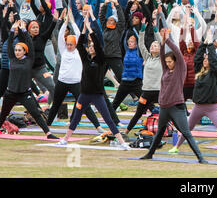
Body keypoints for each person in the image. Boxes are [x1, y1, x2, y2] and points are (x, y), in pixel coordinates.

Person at [56, 18, 130, 149]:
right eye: (89, 46)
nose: (90, 48)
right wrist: (83, 30)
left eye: (92, 46)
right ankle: (65, 139)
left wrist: (91, 30)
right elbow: (79, 45)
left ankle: (122, 142)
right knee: (75, 118)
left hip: (97, 95)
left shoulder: (101, 60)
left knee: (108, 119)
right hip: (84, 94)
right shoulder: (86, 59)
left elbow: (98, 44)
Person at [140, 28, 207, 163]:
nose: (168, 64)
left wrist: (168, 40)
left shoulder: (180, 69)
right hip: (164, 106)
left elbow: (177, 52)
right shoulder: (166, 69)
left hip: (176, 106)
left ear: (176, 61)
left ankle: (200, 157)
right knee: (159, 133)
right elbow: (163, 58)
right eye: (167, 62)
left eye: (170, 61)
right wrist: (163, 42)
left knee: (186, 132)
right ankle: (150, 154)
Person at [169, 29, 217, 153]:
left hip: (212, 108)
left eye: (207, 60)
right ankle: (176, 147)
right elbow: (197, 59)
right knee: (187, 128)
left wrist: (210, 45)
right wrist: (203, 44)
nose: (205, 61)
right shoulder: (199, 72)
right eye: (204, 60)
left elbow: (214, 61)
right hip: (198, 107)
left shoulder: (215, 73)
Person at [46, 9, 104, 133]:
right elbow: (61, 34)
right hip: (62, 82)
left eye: (71, 44)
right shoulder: (63, 50)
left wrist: (72, 21)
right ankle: (47, 125)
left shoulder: (79, 52)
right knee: (56, 104)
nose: (69, 46)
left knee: (85, 105)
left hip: (76, 83)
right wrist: (65, 22)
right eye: (68, 44)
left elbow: (78, 34)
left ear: (75, 44)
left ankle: (98, 126)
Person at [0, 20, 58, 139]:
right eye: (16, 50)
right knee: (3, 114)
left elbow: (30, 45)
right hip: (10, 93)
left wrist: (25, 31)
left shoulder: (29, 59)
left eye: (19, 50)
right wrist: (12, 30)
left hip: (24, 93)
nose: (17, 52)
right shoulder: (12, 58)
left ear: (25, 51)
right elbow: (10, 42)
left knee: (36, 113)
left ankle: (48, 133)